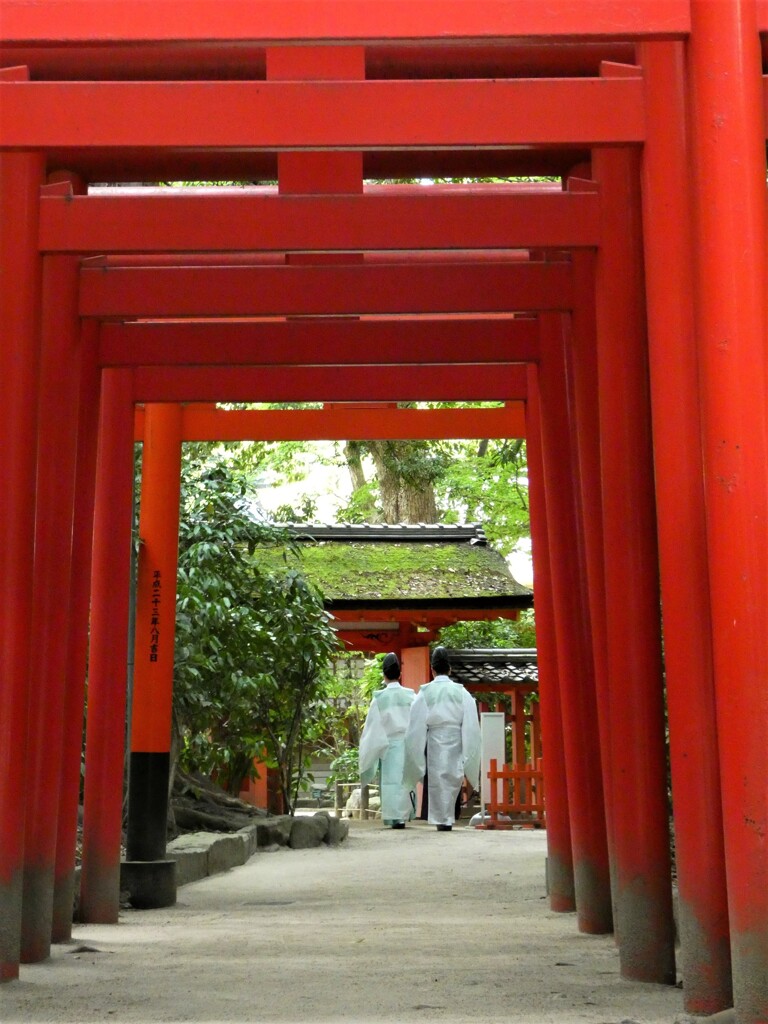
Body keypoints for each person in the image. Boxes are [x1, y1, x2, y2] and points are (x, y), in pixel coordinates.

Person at [403, 646, 481, 831]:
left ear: (432, 669)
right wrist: (469, 748)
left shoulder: (425, 692)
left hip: (434, 739)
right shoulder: (462, 692)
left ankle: (441, 819)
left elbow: (415, 725)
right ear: (450, 669)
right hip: (456, 737)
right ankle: (449, 817)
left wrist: (416, 752)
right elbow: (471, 725)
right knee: (454, 776)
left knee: (436, 779)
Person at [358, 652, 417, 829]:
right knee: (404, 780)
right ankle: (404, 815)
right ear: (400, 674)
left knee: (390, 781)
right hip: (406, 744)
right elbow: (417, 724)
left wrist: (371, 750)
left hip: (388, 745)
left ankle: (393, 817)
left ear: (383, 674)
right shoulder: (411, 696)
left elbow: (372, 729)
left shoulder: (379, 699)